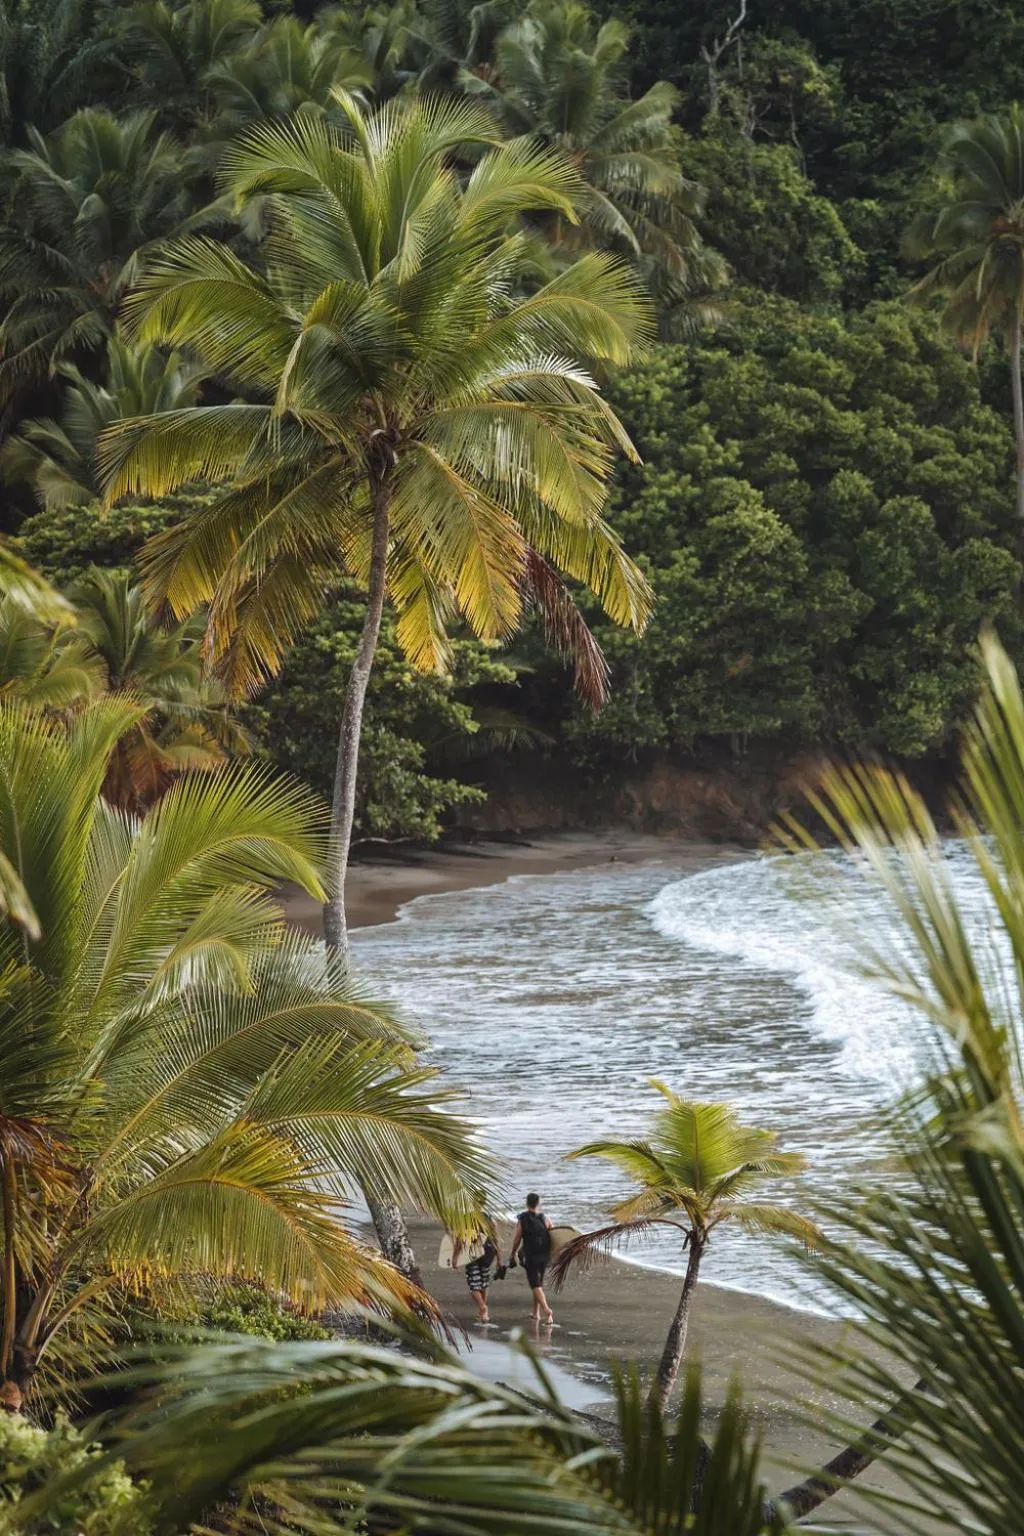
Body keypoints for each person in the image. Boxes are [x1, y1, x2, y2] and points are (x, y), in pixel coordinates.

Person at [510, 1191, 554, 1325]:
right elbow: (554, 1235)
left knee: (535, 1284)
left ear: (527, 1203)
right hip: (544, 1255)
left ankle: (546, 1310)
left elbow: (517, 1238)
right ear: (538, 1203)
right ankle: (536, 1313)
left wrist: (512, 1253)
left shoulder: (522, 1218)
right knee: (538, 1283)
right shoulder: (544, 1218)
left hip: (531, 1255)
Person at [453, 1225, 502, 1325]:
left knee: (474, 1285)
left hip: (472, 1254)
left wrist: (455, 1257)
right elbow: (496, 1239)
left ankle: (483, 1307)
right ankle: (483, 1312)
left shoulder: (467, 1220)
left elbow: (460, 1240)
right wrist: (499, 1258)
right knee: (484, 1283)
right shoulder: (489, 1220)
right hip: (487, 1253)